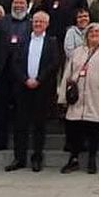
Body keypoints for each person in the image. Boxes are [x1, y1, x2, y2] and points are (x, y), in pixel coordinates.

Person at [59, 22, 99, 174]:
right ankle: (73, 158)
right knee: (74, 129)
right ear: (86, 35)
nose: (94, 35)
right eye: (91, 33)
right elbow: (67, 74)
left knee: (93, 129)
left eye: (97, 33)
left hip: (97, 97)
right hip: (77, 98)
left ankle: (92, 159)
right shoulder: (77, 52)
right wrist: (62, 97)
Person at [5, 10, 61, 172]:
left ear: (47, 24)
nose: (37, 24)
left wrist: (39, 80)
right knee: (20, 125)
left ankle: (37, 158)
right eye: (35, 21)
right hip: (22, 88)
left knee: (39, 125)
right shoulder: (22, 40)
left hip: (42, 89)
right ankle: (19, 158)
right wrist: (25, 79)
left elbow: (54, 64)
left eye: (41, 22)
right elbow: (14, 63)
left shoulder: (52, 42)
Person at [0, 0, 31, 154]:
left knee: (20, 109)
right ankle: (0, 141)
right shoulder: (3, 22)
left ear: (27, 5)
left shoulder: (32, 22)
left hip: (22, 73)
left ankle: (21, 144)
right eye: (16, 3)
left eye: (21, 3)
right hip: (2, 70)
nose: (18, 6)